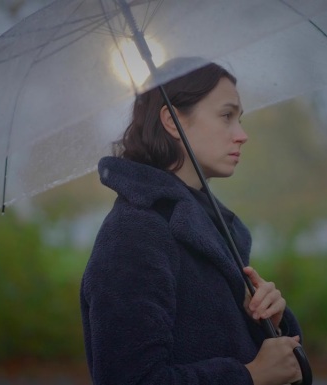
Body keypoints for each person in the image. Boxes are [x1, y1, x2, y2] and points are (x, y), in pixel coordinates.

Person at [80, 58, 304, 385]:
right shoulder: (135, 232)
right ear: (173, 121)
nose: (242, 135)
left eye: (239, 119)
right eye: (227, 116)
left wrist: (270, 323)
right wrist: (249, 376)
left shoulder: (210, 225)